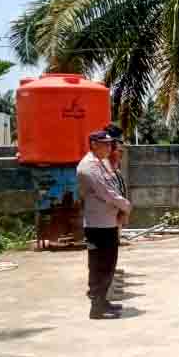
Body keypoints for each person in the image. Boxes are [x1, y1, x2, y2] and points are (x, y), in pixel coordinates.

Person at [77, 130, 131, 320]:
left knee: (108, 264)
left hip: (106, 222)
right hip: (98, 224)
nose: (110, 147)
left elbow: (113, 188)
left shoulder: (100, 164)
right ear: (93, 145)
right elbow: (107, 193)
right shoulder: (89, 167)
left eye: (110, 144)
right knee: (101, 265)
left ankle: (103, 301)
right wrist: (125, 205)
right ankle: (97, 307)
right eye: (105, 144)